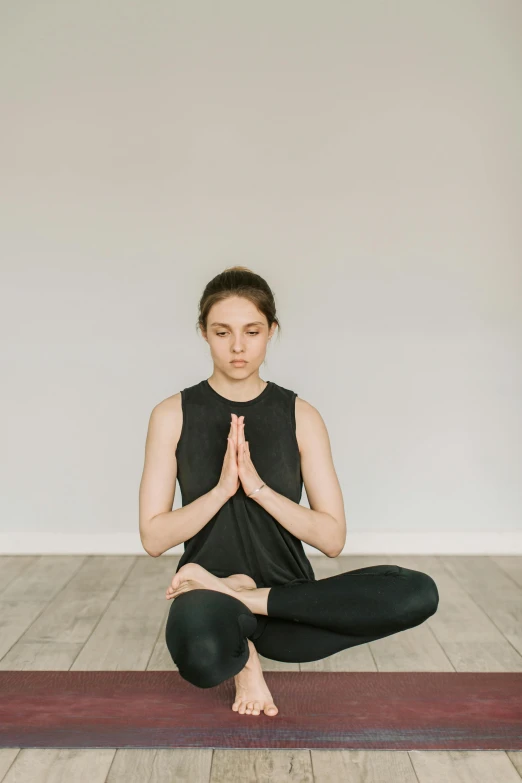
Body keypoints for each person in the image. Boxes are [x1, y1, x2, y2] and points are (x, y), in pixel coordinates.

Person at [139, 266, 439, 718]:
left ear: (271, 332)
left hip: (288, 603)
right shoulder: (171, 415)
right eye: (222, 332)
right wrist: (222, 489)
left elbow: (332, 539)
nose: (238, 346)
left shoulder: (302, 415)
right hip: (205, 597)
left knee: (418, 592)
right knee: (201, 658)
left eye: (252, 331)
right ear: (203, 333)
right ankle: (243, 652)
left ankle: (241, 596)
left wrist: (257, 488)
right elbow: (154, 538)